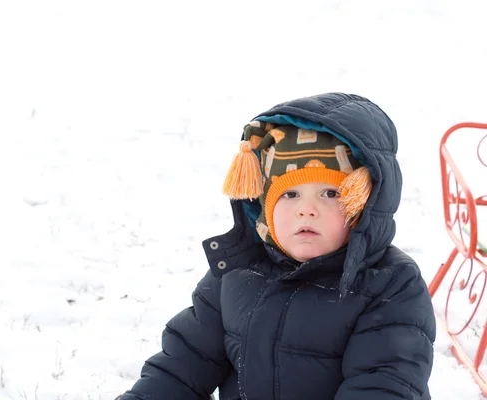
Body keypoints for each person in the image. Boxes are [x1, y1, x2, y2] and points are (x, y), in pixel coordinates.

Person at [117, 93, 436, 399]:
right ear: (264, 205)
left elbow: (382, 385)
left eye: (330, 194)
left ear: (364, 204)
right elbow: (182, 365)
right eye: (290, 194)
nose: (306, 209)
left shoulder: (390, 286)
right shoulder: (237, 271)